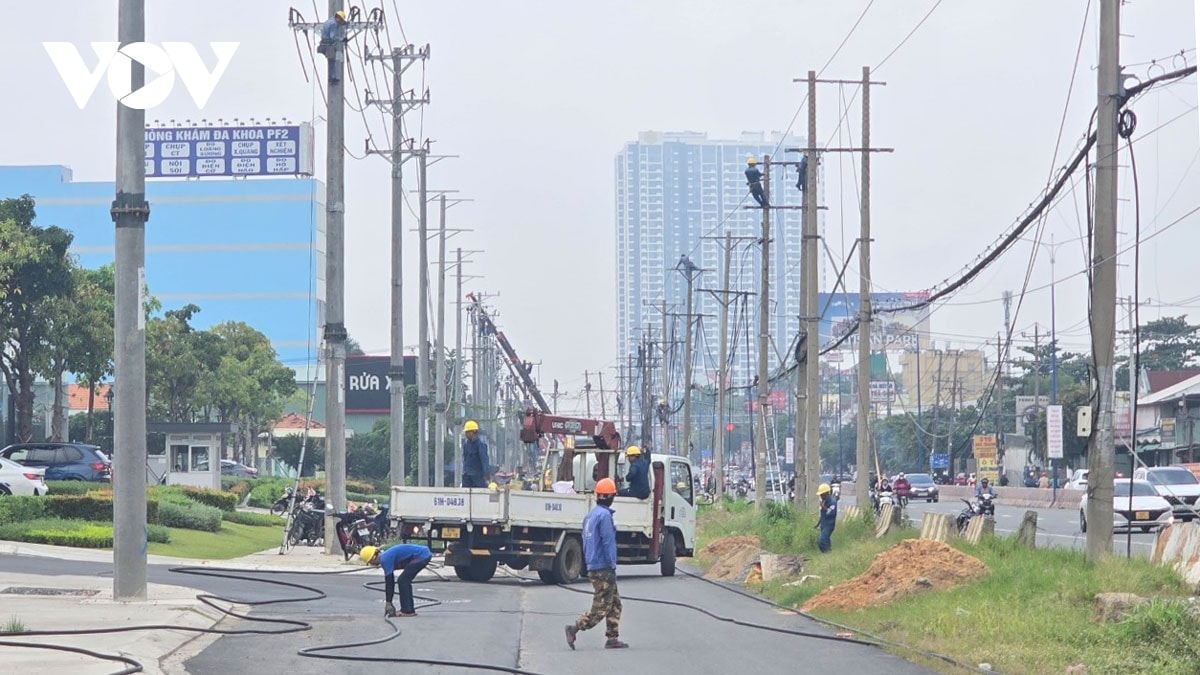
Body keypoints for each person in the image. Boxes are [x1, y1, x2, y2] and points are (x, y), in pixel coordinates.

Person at [565, 477, 628, 650]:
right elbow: (608, 542)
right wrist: (612, 564)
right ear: (610, 496)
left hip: (594, 564)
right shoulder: (605, 516)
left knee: (615, 603)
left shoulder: (590, 516)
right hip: (603, 567)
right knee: (601, 607)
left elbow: (586, 542)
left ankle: (612, 638)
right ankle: (574, 628)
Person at [360, 544, 432, 618]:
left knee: (403, 581)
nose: (372, 565)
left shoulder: (385, 559)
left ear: (373, 558)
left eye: (370, 562)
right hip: (423, 553)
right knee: (404, 580)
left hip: (421, 556)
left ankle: (407, 611)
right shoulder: (386, 556)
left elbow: (390, 583)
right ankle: (409, 609)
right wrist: (389, 602)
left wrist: (388, 603)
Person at [317, 10, 348, 83]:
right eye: (341, 21)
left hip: (323, 44)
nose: (340, 23)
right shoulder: (334, 24)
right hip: (328, 45)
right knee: (332, 61)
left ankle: (332, 77)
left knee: (331, 61)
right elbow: (333, 36)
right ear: (338, 18)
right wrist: (342, 39)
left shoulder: (329, 21)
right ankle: (332, 78)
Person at [461, 420, 491, 488]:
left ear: (474, 432)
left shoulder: (480, 445)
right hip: (467, 477)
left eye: (468, 432)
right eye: (466, 432)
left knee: (478, 496)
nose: (466, 434)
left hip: (478, 478)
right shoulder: (466, 445)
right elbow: (465, 460)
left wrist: (486, 473)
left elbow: (484, 460)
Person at [815, 483, 837, 553]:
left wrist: (823, 507)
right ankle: (828, 553)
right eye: (820, 495)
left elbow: (831, 513)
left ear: (827, 493)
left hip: (829, 525)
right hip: (823, 525)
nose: (821, 496)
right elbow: (822, 515)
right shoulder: (824, 501)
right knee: (826, 541)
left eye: (822, 494)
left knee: (822, 541)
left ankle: (826, 553)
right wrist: (817, 524)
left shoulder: (832, 502)